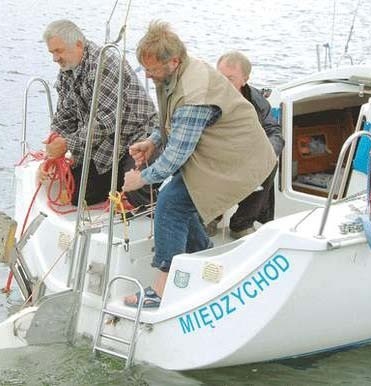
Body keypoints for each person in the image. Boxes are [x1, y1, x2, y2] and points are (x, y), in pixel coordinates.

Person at [123, 21, 276, 308]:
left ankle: (163, 290)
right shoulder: (176, 75)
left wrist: (141, 179)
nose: (148, 75)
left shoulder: (195, 94)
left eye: (152, 69)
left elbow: (176, 156)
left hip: (238, 160)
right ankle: (205, 258)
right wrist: (154, 140)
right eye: (145, 68)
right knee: (180, 200)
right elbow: (174, 119)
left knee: (170, 202)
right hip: (217, 153)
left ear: (174, 61)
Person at [40, 19, 158, 207]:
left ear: (78, 44)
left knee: (137, 192)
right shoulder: (67, 72)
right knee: (79, 196)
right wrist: (53, 146)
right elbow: (64, 116)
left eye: (58, 51)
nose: (55, 58)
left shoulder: (105, 64)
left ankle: (157, 212)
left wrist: (67, 144)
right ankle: (118, 188)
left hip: (137, 138)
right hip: (106, 146)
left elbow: (106, 122)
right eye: (52, 52)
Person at [208, 50, 285, 238]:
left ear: (245, 79)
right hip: (212, 154)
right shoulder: (205, 97)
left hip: (243, 155)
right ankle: (210, 216)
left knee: (270, 162)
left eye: (230, 79)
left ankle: (242, 223)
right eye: (220, 77)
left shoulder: (258, 102)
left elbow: (274, 132)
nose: (224, 84)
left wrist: (265, 153)